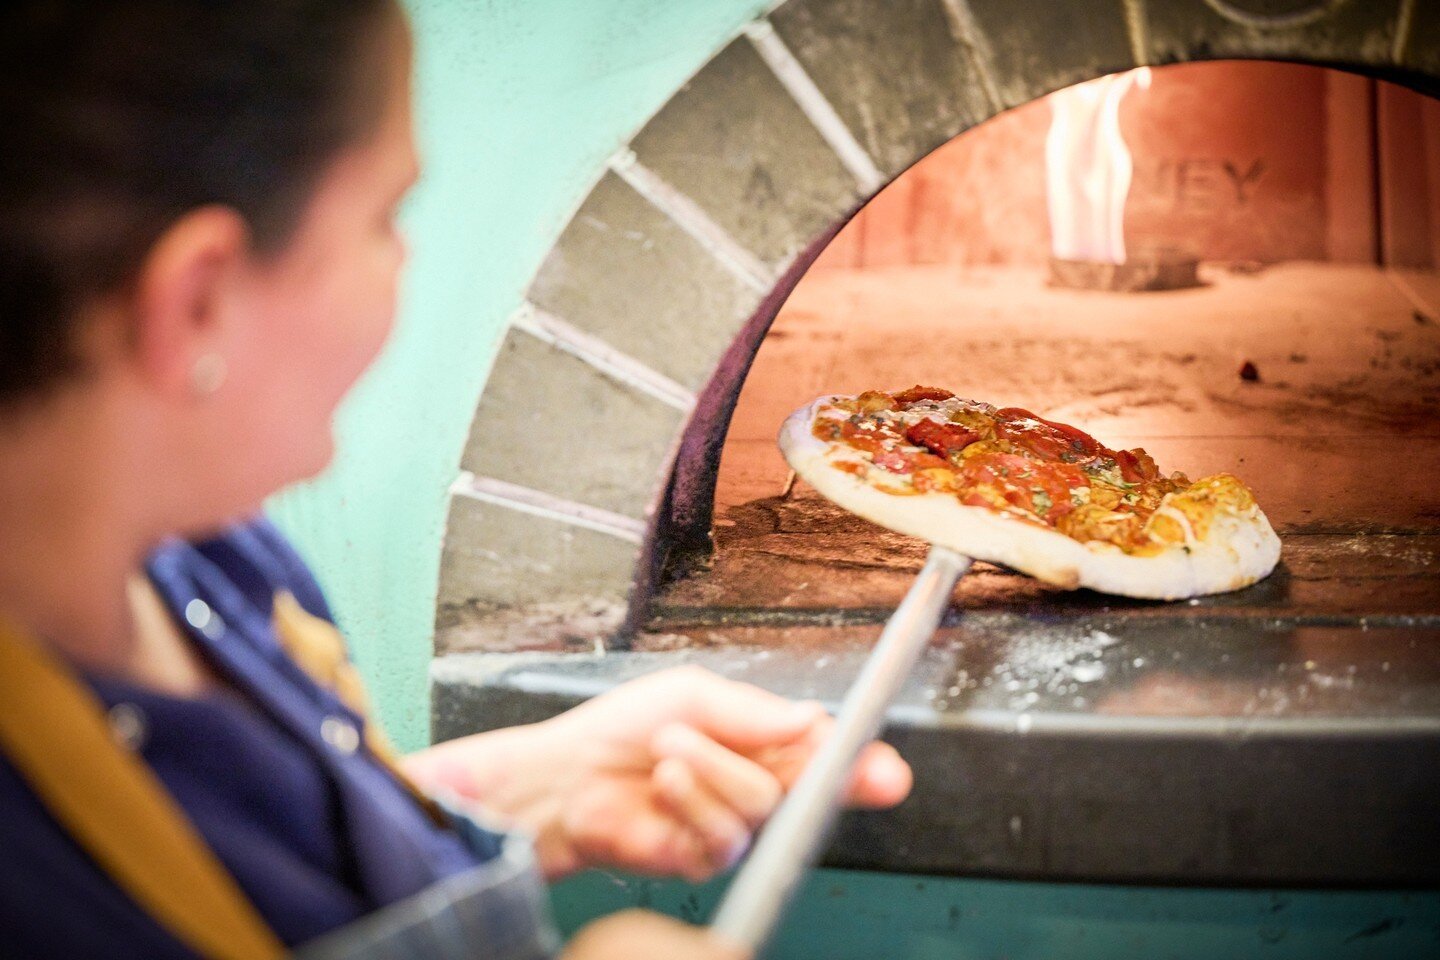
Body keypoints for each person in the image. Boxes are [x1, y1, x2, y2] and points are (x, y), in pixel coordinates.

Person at [0, 1, 913, 957]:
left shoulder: (206, 555)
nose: (404, 264)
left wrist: (520, 792)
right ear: (197, 301)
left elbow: (270, 870)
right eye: (383, 219)